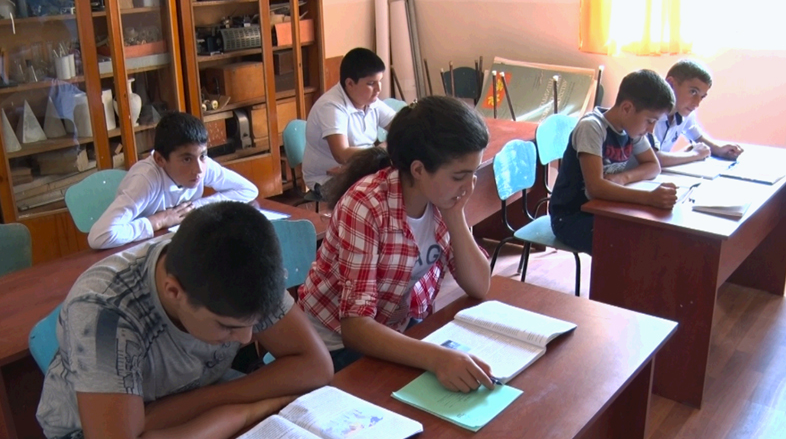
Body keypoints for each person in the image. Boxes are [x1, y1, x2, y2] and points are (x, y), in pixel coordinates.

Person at [37, 202, 333, 439]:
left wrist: (212, 403)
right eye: (227, 326)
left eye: (252, 324)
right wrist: (244, 410)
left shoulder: (243, 268)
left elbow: (316, 366)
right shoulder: (105, 309)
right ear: (173, 291)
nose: (245, 339)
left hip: (186, 403)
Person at [299, 96, 494, 393]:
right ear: (417, 170)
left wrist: (455, 215)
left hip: (396, 327)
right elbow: (355, 328)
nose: (470, 186)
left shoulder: (443, 198)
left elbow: (479, 285)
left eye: (474, 173)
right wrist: (436, 358)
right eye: (459, 176)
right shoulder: (365, 206)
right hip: (335, 346)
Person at [550, 69, 678, 255]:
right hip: (571, 217)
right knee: (632, 241)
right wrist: (649, 198)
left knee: (653, 232)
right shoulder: (592, 127)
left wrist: (623, 177)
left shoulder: (630, 128)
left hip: (604, 209)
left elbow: (653, 166)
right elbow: (596, 188)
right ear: (627, 108)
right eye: (650, 121)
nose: (651, 130)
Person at [88, 112, 259, 249]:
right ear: (160, 159)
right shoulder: (146, 180)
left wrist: (196, 208)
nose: (199, 169)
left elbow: (248, 190)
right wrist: (159, 221)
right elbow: (100, 236)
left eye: (203, 155)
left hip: (174, 243)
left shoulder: (201, 164)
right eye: (186, 159)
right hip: (136, 250)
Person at [302, 47, 397, 191]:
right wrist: (380, 151)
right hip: (328, 179)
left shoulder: (370, 100)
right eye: (371, 83)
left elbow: (401, 127)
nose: (379, 89)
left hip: (362, 168)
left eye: (380, 81)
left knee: (401, 181)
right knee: (382, 191)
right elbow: (342, 154)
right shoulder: (331, 106)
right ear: (350, 84)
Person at [641, 59, 743, 167]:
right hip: (632, 178)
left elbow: (697, 136)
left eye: (702, 97)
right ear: (670, 84)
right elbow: (652, 158)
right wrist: (694, 154)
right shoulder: (650, 113)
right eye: (693, 92)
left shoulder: (684, 111)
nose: (697, 103)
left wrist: (718, 149)